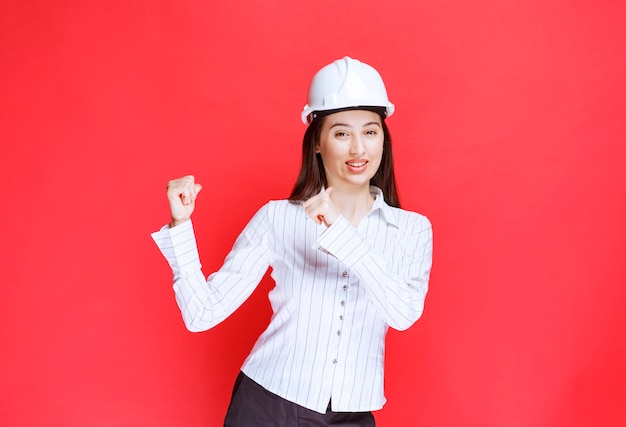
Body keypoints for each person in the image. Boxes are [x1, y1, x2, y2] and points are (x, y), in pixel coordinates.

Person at [152, 56, 433, 427]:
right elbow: (201, 314)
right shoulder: (277, 218)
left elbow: (403, 315)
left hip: (351, 414)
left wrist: (341, 234)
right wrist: (180, 224)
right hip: (266, 405)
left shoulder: (412, 229)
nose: (358, 149)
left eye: (370, 131)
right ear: (317, 143)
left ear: (384, 138)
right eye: (341, 133)